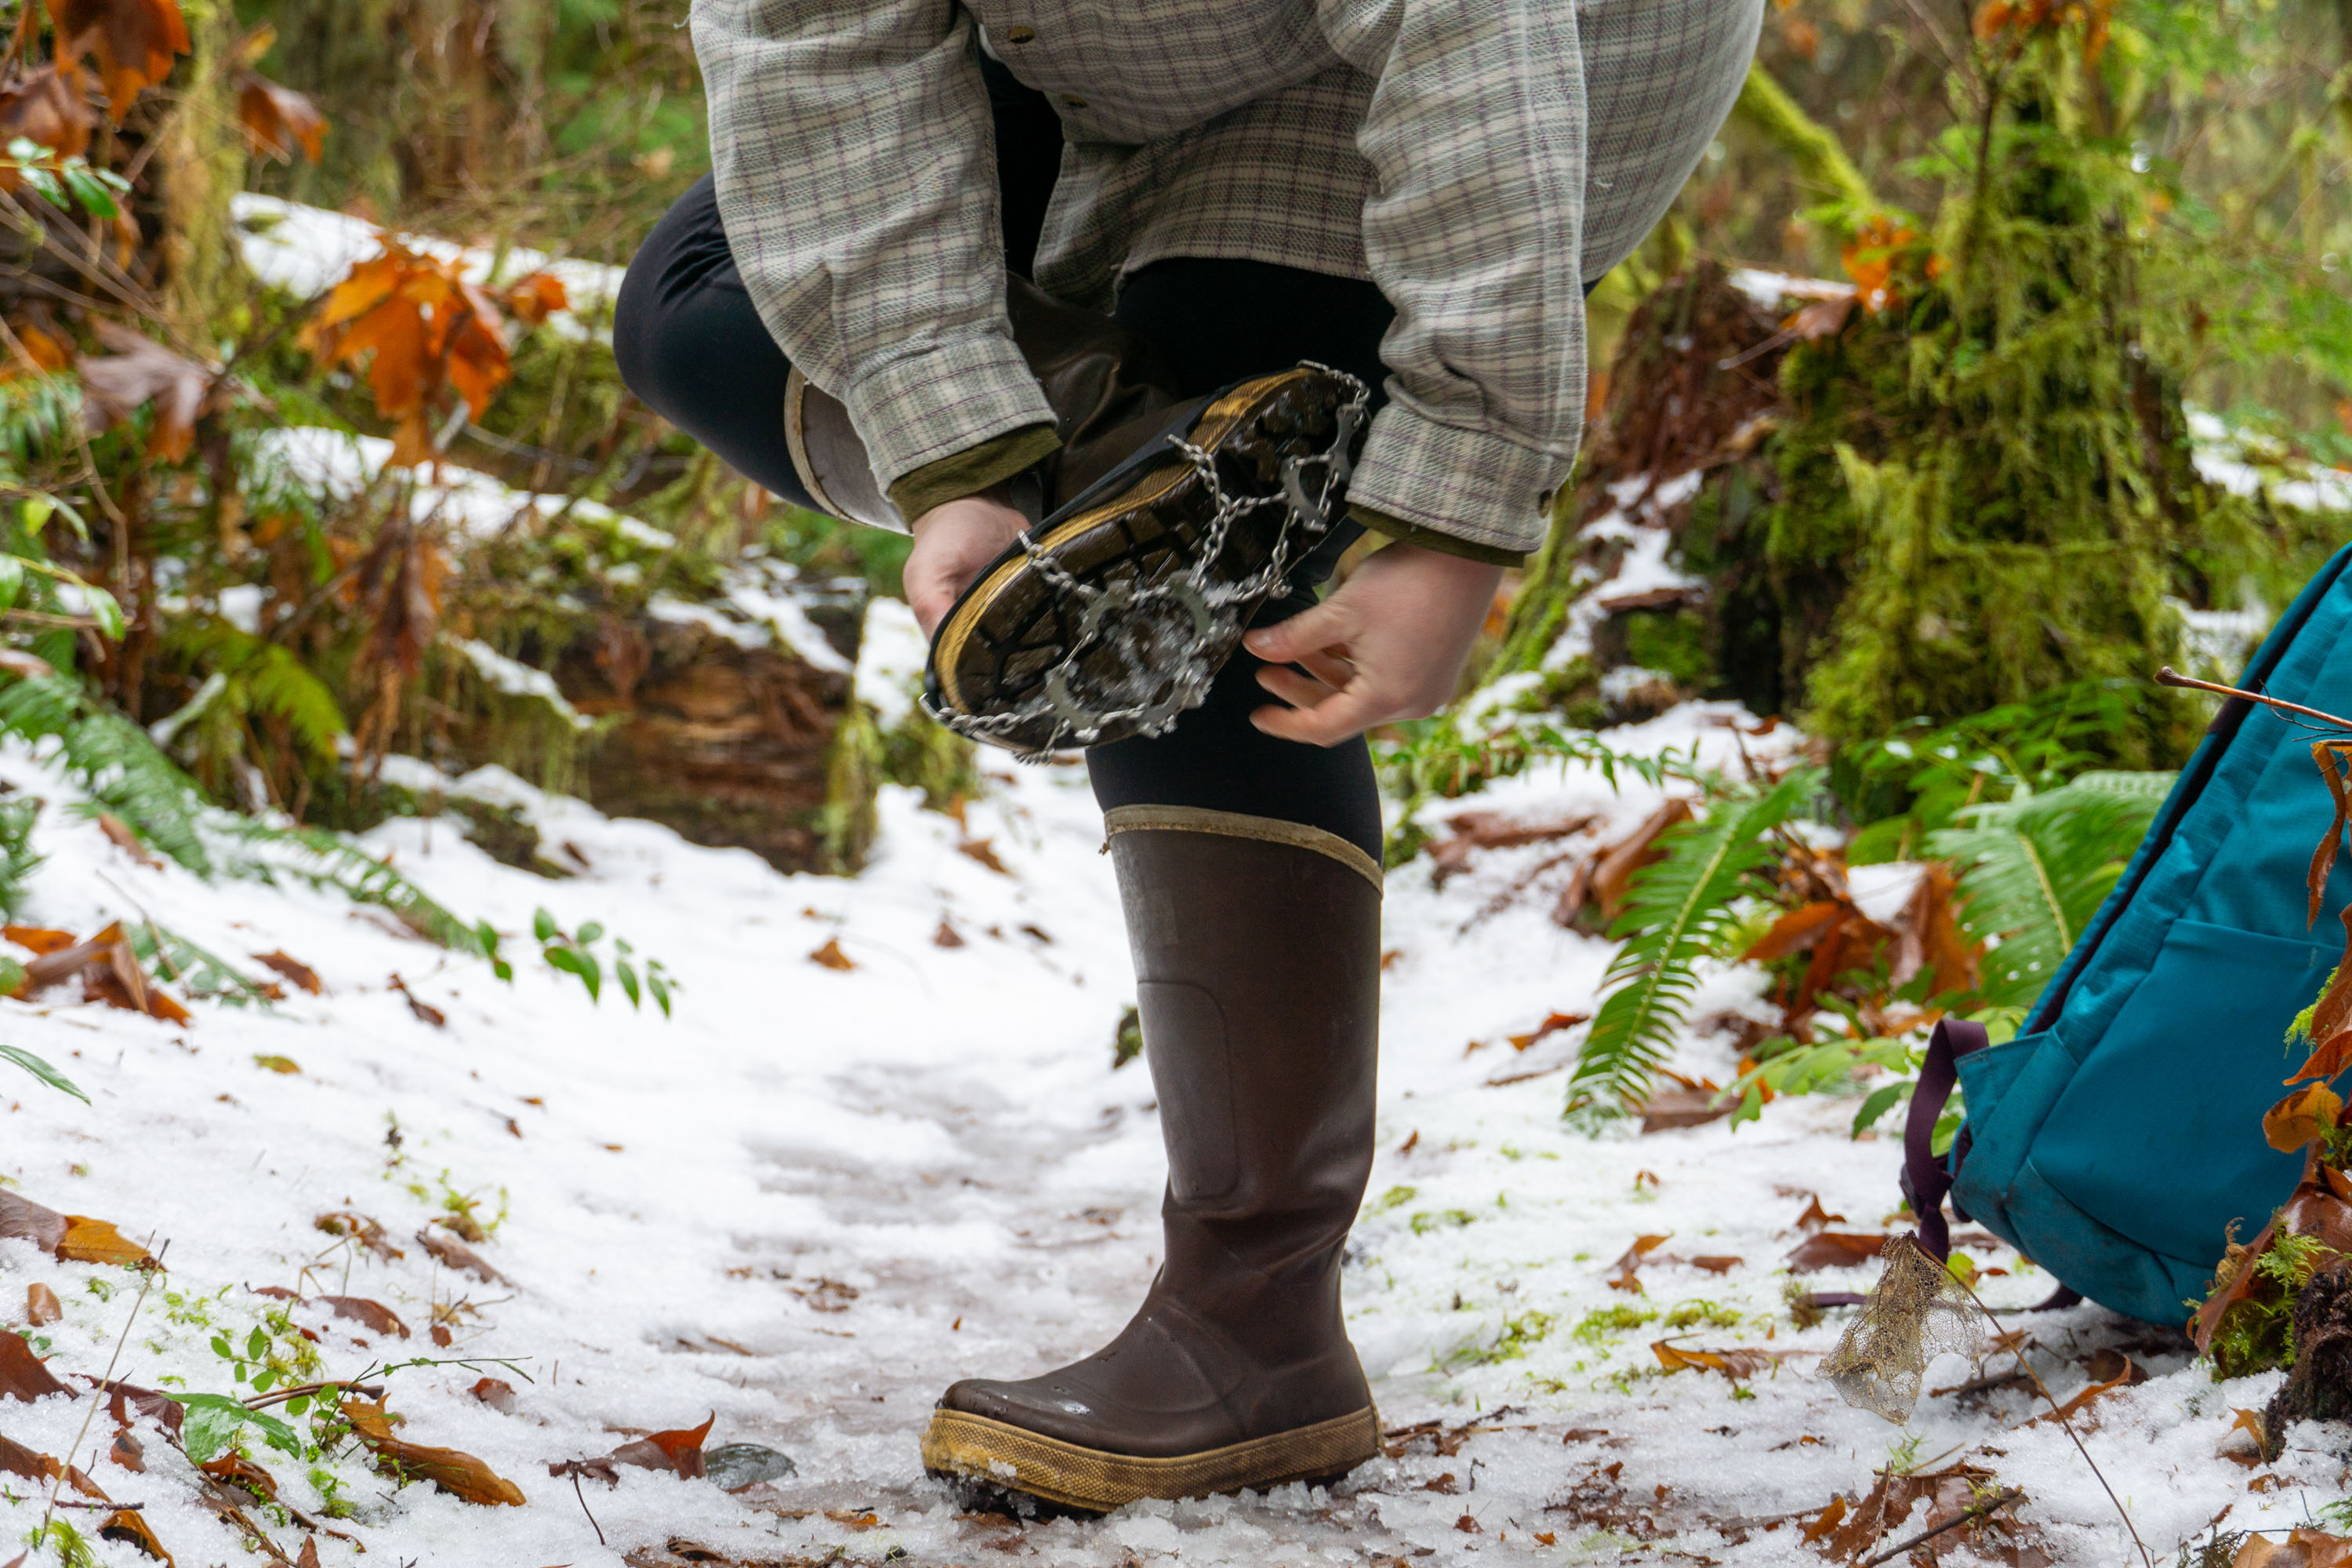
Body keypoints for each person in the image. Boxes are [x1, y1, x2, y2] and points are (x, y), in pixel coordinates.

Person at [613, 0, 1763, 1517]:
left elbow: (1473, 36)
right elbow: (819, 49)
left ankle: (1257, 1317)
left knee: (1218, 511)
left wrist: (1457, 508)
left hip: (1529, 45)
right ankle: (1160, 472)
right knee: (701, 302)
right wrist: (967, 453)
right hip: (1122, 51)